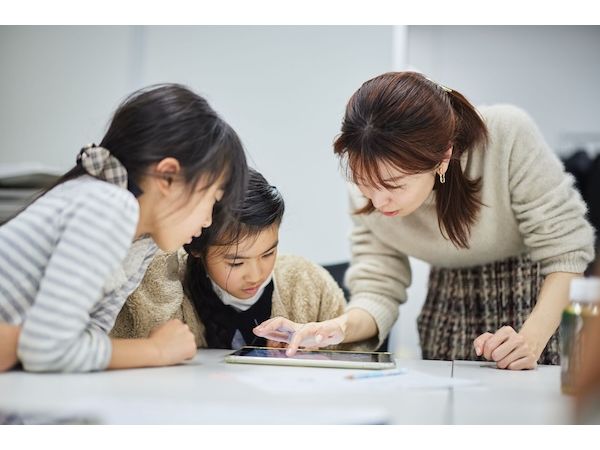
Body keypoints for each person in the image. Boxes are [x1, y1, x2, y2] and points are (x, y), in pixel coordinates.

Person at [254, 71, 596, 370]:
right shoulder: (369, 190)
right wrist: (334, 329)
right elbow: (378, 288)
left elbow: (567, 251)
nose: (377, 200)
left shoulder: (506, 134)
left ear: (443, 157)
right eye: (364, 183)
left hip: (541, 298)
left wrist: (531, 339)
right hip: (449, 305)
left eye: (393, 185)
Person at [0, 84, 248, 373]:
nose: (208, 220)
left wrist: (24, 343)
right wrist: (156, 350)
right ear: (167, 176)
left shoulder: (143, 243)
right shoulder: (110, 205)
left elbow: (83, 338)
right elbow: (50, 350)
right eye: (212, 200)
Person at [111, 168, 377, 351]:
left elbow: (355, 355)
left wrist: (316, 350)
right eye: (236, 263)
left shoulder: (307, 282)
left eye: (269, 253)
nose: (256, 274)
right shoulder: (165, 284)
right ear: (196, 247)